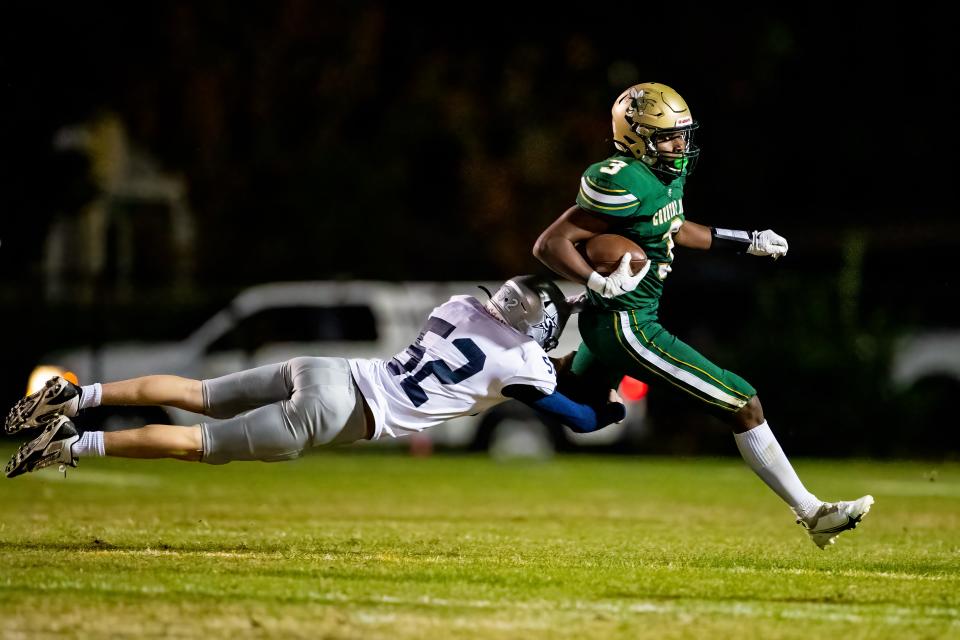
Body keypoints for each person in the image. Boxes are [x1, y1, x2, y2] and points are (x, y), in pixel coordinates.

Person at [532, 82, 873, 549]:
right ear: (635, 137)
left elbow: (674, 226)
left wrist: (745, 240)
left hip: (617, 318)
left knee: (586, 413)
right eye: (668, 136)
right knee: (742, 402)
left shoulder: (662, 177)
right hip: (626, 322)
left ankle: (496, 374)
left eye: (682, 135)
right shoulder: (620, 179)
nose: (680, 145)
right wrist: (597, 281)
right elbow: (549, 244)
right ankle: (812, 512)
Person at [5, 276, 626, 477]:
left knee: (195, 395)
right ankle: (67, 443)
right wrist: (612, 408)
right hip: (339, 413)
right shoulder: (521, 363)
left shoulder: (462, 305)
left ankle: (73, 396)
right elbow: (574, 418)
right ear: (539, 325)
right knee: (198, 442)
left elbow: (518, 363)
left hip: (329, 370)